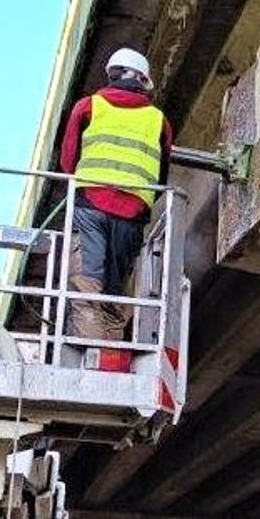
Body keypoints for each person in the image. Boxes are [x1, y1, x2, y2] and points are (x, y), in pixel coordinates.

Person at [58, 47, 174, 363]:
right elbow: (161, 175)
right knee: (116, 290)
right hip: (133, 214)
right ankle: (111, 356)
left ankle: (85, 360)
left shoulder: (88, 107)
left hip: (90, 205)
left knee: (87, 285)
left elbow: (69, 161)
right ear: (142, 80)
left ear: (111, 74)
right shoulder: (158, 121)